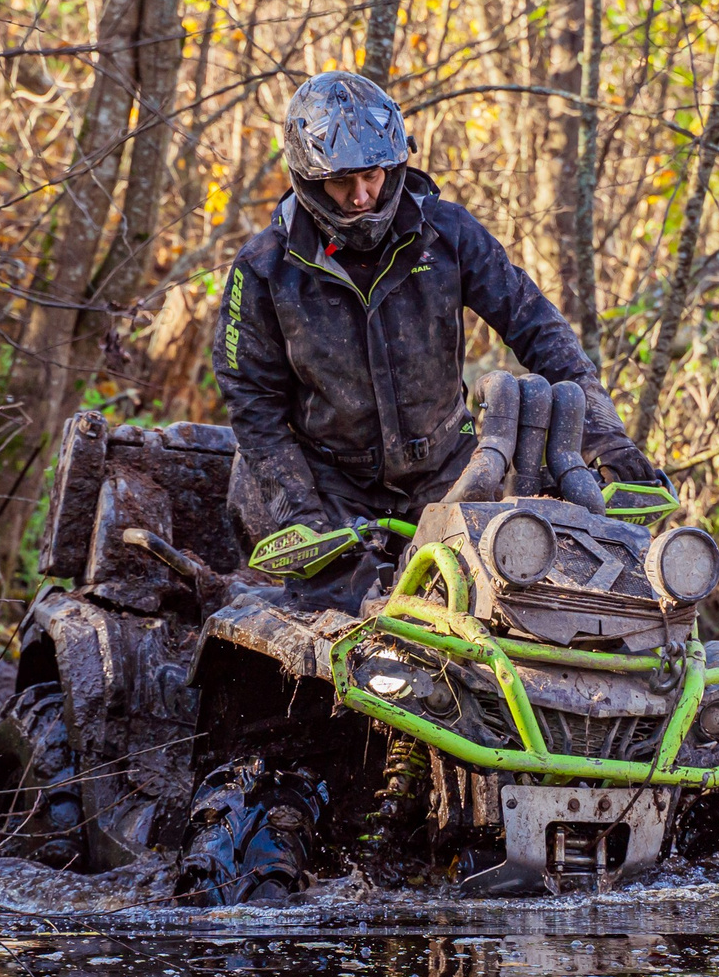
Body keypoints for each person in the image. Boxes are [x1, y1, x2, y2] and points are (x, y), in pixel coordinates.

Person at [211, 70, 662, 609]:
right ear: (309, 180)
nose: (360, 197)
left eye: (373, 176)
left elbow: (536, 326)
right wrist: (298, 508)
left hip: (451, 467)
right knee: (344, 630)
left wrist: (606, 437)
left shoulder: (447, 233)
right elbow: (252, 403)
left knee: (506, 605)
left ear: (395, 165)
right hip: (331, 485)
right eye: (341, 182)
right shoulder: (264, 268)